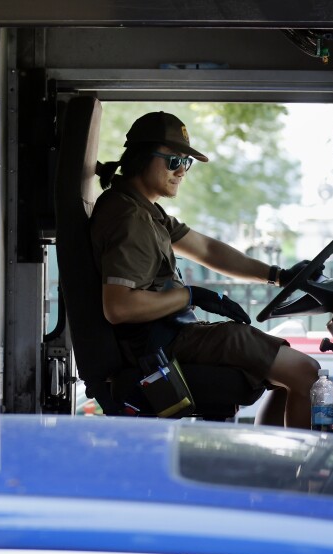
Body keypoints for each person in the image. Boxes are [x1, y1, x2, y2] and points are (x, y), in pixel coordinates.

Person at [90, 111, 319, 428]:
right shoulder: (129, 219)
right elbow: (119, 307)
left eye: (186, 162)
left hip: (174, 335)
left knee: (284, 375)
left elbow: (207, 249)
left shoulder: (144, 210)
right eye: (174, 161)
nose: (182, 171)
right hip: (163, 345)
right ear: (142, 158)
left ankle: (268, 457)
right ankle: (303, 463)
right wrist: (190, 295)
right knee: (307, 374)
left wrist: (278, 274)